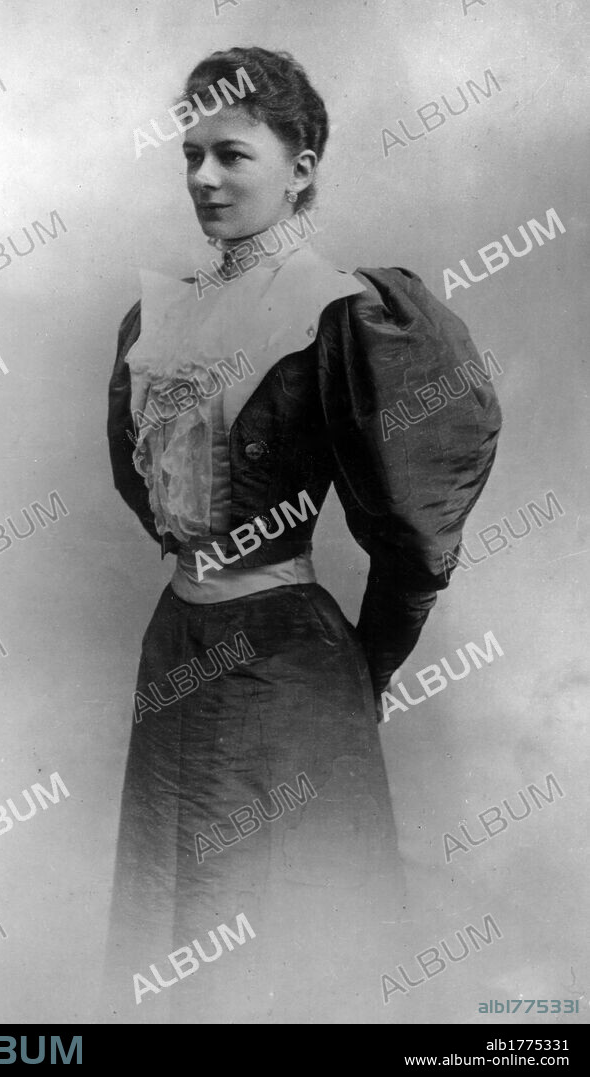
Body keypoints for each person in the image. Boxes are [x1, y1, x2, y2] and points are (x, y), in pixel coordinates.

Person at [103, 46, 501, 1024]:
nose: (202, 178)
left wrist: (365, 664)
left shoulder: (345, 316)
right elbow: (149, 486)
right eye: (189, 154)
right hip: (176, 653)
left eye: (231, 155)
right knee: (167, 933)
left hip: (286, 673)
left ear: (303, 163)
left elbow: (411, 532)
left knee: (279, 950)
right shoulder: (154, 317)